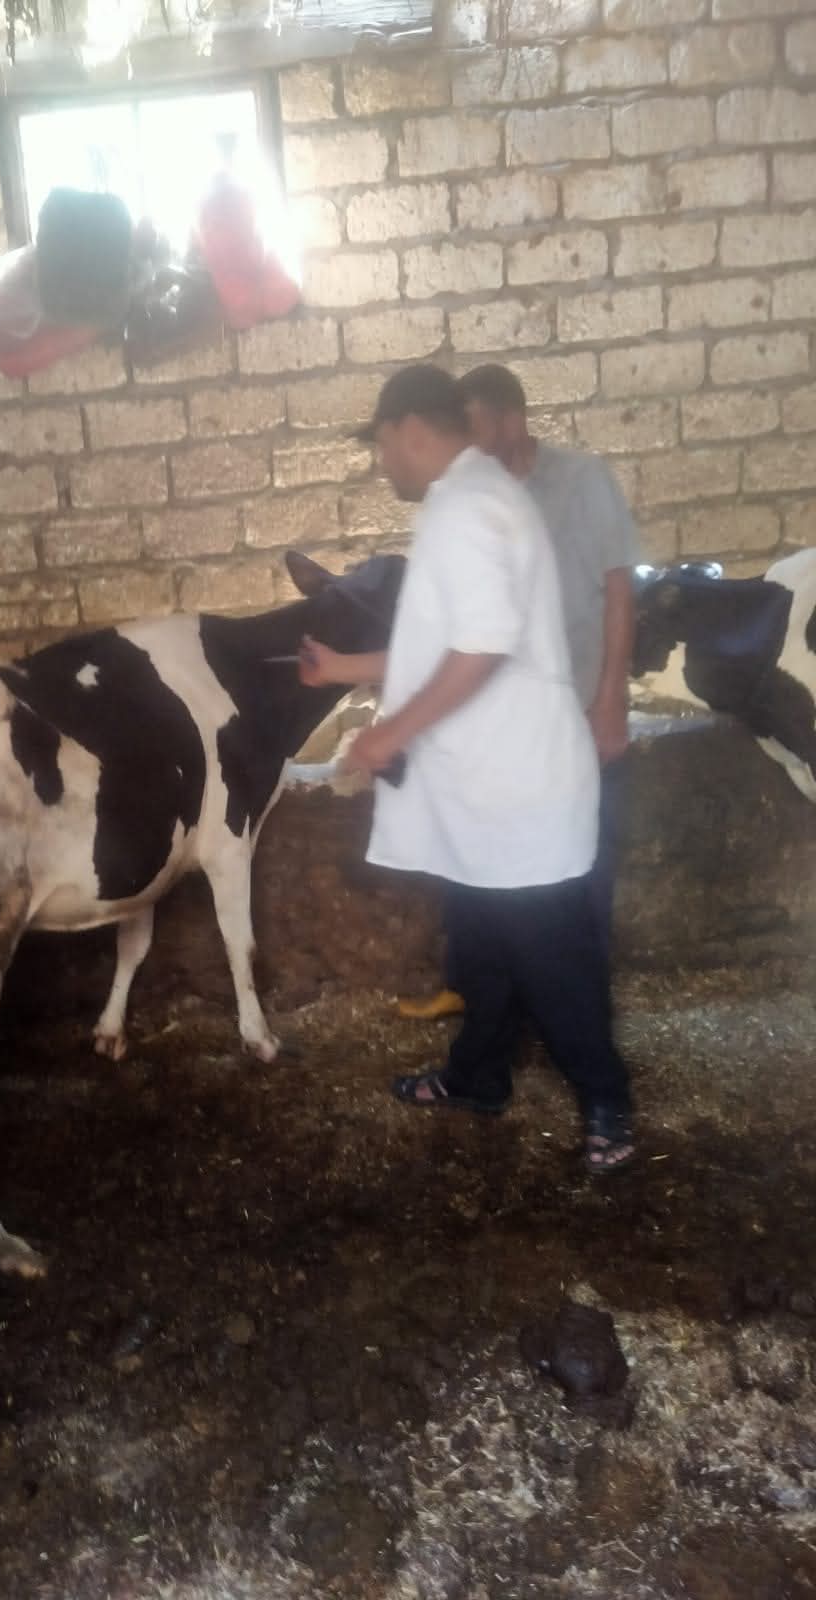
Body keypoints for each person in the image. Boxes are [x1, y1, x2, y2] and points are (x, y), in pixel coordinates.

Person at [299, 364, 634, 1174]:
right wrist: (342, 668)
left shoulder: (467, 508)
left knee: (551, 954)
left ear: (411, 430)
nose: (382, 462)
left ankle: (609, 1106)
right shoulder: (475, 496)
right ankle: (479, 1076)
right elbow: (445, 644)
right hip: (488, 789)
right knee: (483, 943)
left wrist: (388, 734)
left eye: (382, 445)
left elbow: (483, 646)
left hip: (514, 786)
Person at [400, 362, 639, 1021]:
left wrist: (611, 698)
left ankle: (578, 1014)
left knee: (577, 872)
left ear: (513, 418)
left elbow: (620, 592)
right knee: (480, 866)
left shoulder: (583, 481)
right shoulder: (477, 494)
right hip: (507, 726)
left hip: (579, 703)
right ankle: (480, 999)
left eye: (474, 425)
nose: (466, 441)